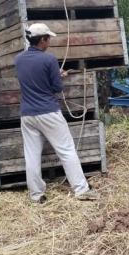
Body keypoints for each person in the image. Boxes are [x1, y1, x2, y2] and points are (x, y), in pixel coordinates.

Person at [14, 23, 99, 203]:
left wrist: (52, 74)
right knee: (67, 150)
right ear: (42, 40)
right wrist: (58, 75)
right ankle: (81, 190)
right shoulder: (49, 60)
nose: (50, 41)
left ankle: (36, 195)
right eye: (48, 38)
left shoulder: (19, 59)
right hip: (48, 112)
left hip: (27, 114)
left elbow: (33, 78)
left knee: (31, 155)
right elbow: (56, 88)